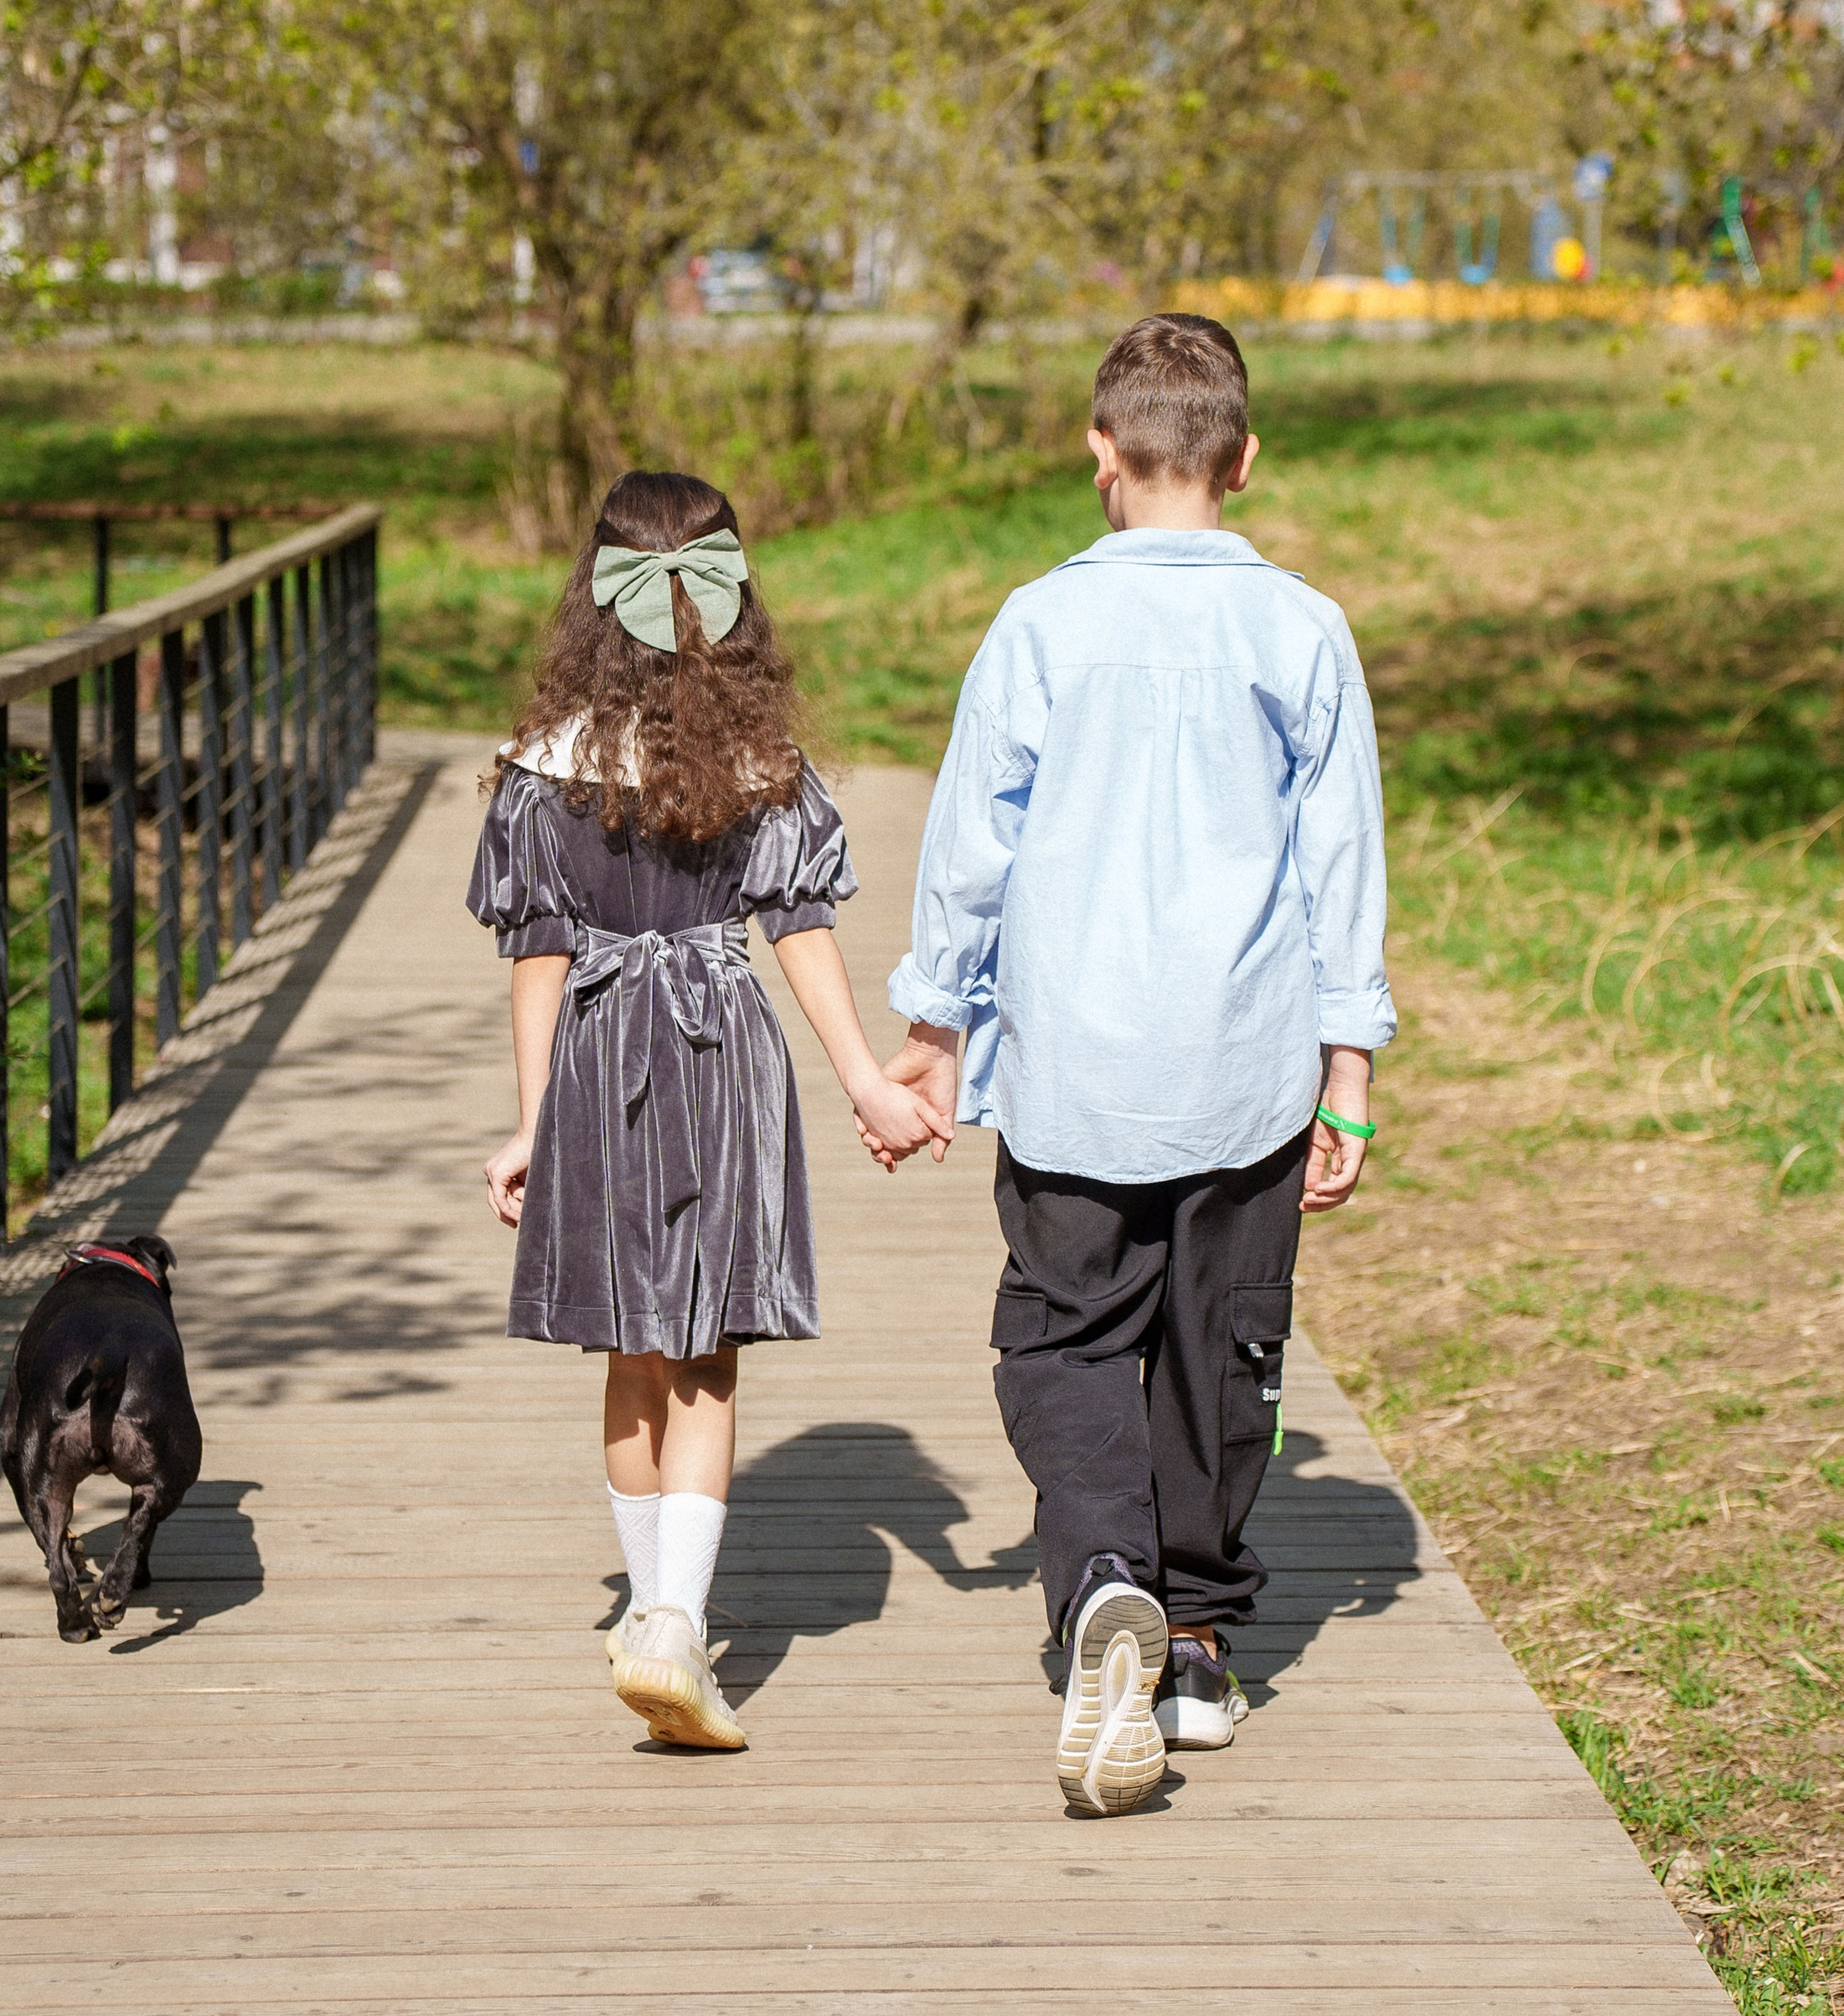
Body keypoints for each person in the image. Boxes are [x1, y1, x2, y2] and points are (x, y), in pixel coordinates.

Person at [866, 313, 1395, 1815]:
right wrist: (1345, 1074)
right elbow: (1339, 864)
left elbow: (974, 848)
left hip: (1076, 1071)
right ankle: (1204, 1639)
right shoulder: (1304, 627)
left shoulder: (1038, 622)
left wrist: (932, 1031)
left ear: (1100, 453)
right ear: (1245, 457)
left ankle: (1105, 1575)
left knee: (1067, 1337)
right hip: (1244, 1066)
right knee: (1228, 1349)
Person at [469, 466, 948, 1750]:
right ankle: (678, 1621)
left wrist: (532, 1119)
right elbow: (795, 924)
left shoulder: (542, 770)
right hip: (722, 1049)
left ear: (594, 597)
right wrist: (860, 1075)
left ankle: (650, 1607)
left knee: (630, 1348)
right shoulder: (761, 760)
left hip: (596, 1050)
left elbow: (537, 954)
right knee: (704, 1351)